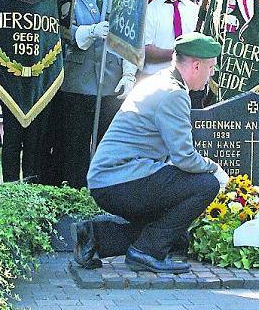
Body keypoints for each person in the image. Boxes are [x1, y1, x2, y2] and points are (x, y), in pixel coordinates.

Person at [74, 32, 229, 274]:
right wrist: (214, 169)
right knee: (205, 185)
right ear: (197, 66)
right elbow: (184, 158)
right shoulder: (173, 93)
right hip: (120, 179)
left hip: (110, 180)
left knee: (176, 236)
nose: (211, 75)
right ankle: (146, 252)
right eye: (210, 68)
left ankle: (96, 237)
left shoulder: (160, 80)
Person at [53, 0, 137, 187]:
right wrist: (89, 32)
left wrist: (129, 74)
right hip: (78, 81)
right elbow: (61, 29)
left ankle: (103, 192)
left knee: (107, 146)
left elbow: (130, 38)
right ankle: (75, 190)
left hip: (110, 81)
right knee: (75, 146)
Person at [141, 0, 199, 76]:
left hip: (190, 79)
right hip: (156, 79)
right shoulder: (149, 11)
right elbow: (145, 51)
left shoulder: (194, 10)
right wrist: (180, 55)